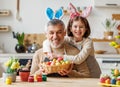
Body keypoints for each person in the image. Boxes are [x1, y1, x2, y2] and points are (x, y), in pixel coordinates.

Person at [42, 12, 101, 78]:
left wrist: (59, 56)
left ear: (86, 29)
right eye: (75, 26)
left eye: (81, 27)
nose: (78, 29)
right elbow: (46, 41)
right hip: (81, 72)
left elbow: (78, 59)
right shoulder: (69, 39)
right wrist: (48, 52)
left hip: (93, 72)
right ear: (70, 28)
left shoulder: (88, 42)